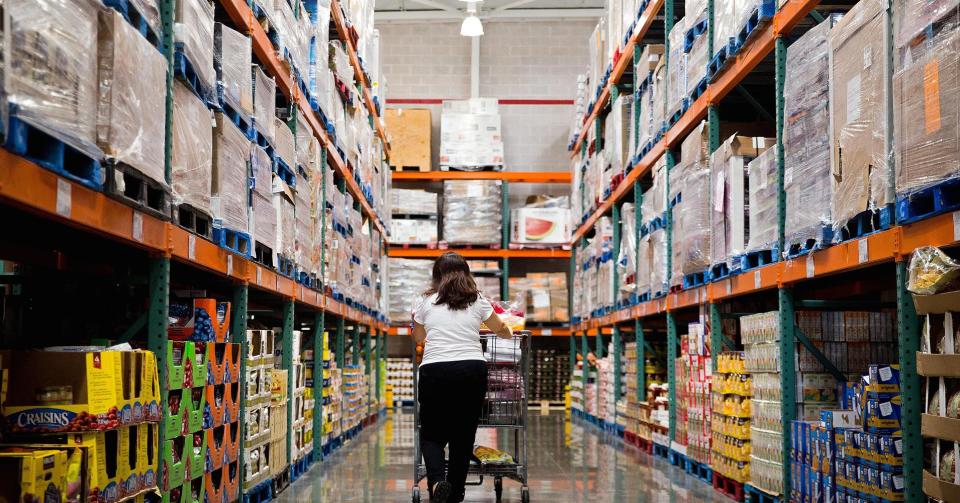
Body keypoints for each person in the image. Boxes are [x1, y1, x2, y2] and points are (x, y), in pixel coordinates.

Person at [412, 252, 513, 503]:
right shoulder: (477, 300)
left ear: (436, 276)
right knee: (463, 435)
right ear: (466, 274)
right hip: (471, 370)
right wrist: (508, 331)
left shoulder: (426, 302)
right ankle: (456, 493)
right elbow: (499, 328)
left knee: (432, 434)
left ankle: (437, 483)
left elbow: (418, 338)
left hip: (435, 370)